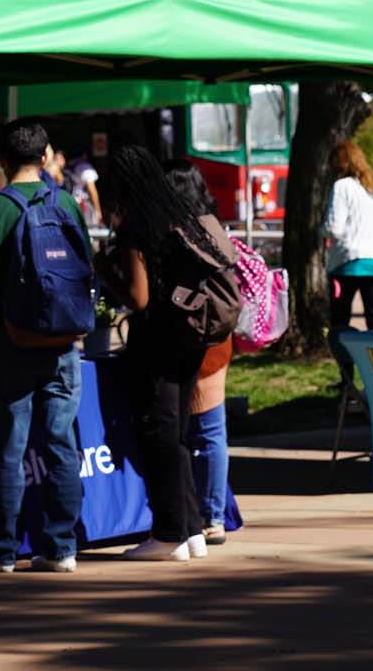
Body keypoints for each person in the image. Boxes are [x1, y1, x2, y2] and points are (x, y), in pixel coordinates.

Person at [0, 120, 91, 574]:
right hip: (63, 343)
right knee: (61, 445)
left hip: (6, 342)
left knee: (8, 452)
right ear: (46, 156)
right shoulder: (66, 203)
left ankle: (5, 552)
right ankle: (62, 548)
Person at [98, 144, 232, 562]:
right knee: (176, 435)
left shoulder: (138, 225)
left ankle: (168, 533)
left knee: (159, 435)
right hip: (189, 338)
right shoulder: (179, 215)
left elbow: (138, 298)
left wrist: (104, 271)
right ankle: (190, 530)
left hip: (156, 343)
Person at [166, 160, 232, 545]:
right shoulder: (213, 226)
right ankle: (214, 513)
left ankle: (209, 514)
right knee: (212, 430)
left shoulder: (179, 233)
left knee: (202, 430)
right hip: (220, 335)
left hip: (194, 334)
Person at [325, 139, 373, 387]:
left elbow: (334, 227)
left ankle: (347, 380)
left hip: (347, 263)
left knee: (340, 325)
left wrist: (320, 231)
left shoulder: (341, 186)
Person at [66, 147, 103, 226]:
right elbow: (91, 189)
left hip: (71, 203)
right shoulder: (85, 167)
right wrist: (98, 210)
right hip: (84, 205)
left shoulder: (69, 166)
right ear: (84, 155)